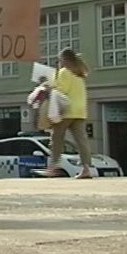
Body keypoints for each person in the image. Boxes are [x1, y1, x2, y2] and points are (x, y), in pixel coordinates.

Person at [45, 47, 93, 179]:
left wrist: (49, 87)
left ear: (65, 60)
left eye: (60, 59)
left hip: (66, 110)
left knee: (56, 138)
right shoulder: (79, 74)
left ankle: (53, 167)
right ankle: (86, 168)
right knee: (81, 140)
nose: (59, 62)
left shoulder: (64, 72)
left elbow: (61, 90)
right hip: (80, 111)